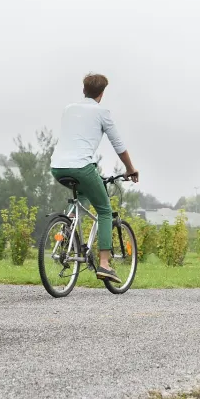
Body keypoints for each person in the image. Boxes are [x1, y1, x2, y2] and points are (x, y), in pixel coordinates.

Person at [50, 73, 139, 284]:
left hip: (57, 167)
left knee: (82, 193)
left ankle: (69, 226)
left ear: (84, 90)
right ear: (102, 93)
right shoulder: (102, 112)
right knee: (105, 210)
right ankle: (105, 264)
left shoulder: (68, 109)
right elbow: (119, 145)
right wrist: (130, 169)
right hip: (82, 166)